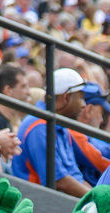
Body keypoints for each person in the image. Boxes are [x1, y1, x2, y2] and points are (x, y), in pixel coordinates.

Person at [11, 68, 90, 197]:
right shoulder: (38, 127)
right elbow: (59, 182)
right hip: (36, 203)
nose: (84, 105)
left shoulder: (58, 124)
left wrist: (97, 194)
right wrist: (96, 200)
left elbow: (75, 177)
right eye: (80, 98)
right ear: (66, 97)